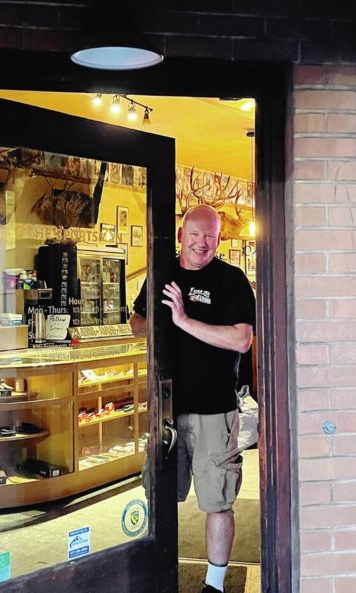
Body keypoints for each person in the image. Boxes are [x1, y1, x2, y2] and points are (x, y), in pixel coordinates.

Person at [130, 204, 255, 593]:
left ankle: (214, 585)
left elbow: (241, 339)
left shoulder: (231, 280)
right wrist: (158, 325)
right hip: (165, 407)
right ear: (182, 235)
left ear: (219, 240)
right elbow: (136, 322)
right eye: (195, 234)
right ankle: (156, 572)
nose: (202, 243)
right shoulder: (162, 272)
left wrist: (184, 321)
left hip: (213, 409)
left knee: (217, 499)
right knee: (160, 494)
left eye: (210, 236)